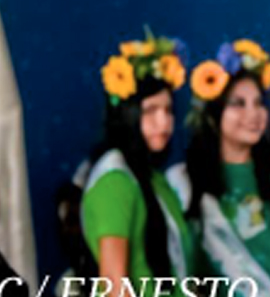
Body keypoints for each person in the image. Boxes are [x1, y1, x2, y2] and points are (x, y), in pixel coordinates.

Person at [185, 40, 270, 293]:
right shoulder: (186, 180)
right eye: (238, 104)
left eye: (259, 103)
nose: (253, 113)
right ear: (214, 115)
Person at [80, 34, 196, 295]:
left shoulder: (154, 178)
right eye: (150, 111)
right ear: (127, 114)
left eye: (168, 111)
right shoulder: (115, 181)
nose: (163, 122)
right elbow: (113, 281)